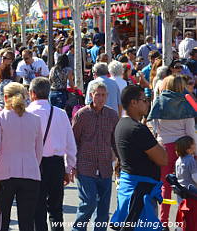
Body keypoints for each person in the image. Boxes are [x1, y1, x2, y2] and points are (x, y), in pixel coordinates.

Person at [0, 82, 43, 231]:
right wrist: (32, 164)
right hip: (30, 173)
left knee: (2, 220)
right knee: (27, 221)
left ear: (5, 97)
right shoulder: (35, 119)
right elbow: (39, 151)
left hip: (5, 173)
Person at [111, 85, 168, 229]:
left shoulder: (121, 125)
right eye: (144, 100)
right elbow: (163, 159)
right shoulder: (137, 129)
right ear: (133, 102)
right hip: (140, 193)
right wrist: (159, 143)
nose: (147, 103)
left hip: (132, 190)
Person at [26, 77, 77, 231]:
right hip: (56, 164)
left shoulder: (26, 114)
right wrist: (68, 169)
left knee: (37, 209)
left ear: (32, 93)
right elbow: (71, 145)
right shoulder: (61, 114)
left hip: (35, 164)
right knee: (56, 209)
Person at [147, 75, 197, 226]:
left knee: (165, 186)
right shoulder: (185, 103)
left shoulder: (158, 102)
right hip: (183, 148)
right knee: (187, 186)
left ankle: (163, 221)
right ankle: (185, 221)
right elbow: (190, 131)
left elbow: (155, 128)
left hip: (163, 148)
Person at [71, 82, 119, 231]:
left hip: (105, 167)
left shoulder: (112, 115)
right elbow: (73, 140)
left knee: (104, 209)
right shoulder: (82, 115)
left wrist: (120, 161)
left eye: (103, 95)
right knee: (88, 203)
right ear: (91, 95)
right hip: (85, 166)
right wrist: (72, 165)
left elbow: (116, 140)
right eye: (97, 94)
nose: (100, 98)